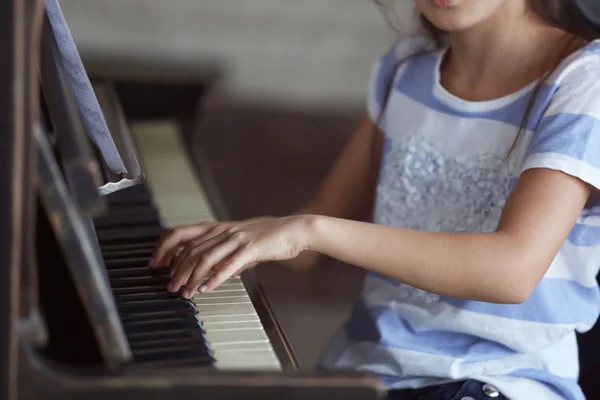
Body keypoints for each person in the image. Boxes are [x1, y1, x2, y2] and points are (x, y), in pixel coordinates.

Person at [149, 0, 600, 398]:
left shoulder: (584, 81)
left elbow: (512, 272)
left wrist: (308, 230)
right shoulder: (405, 68)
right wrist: (237, 237)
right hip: (368, 373)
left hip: (498, 381)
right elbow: (317, 235)